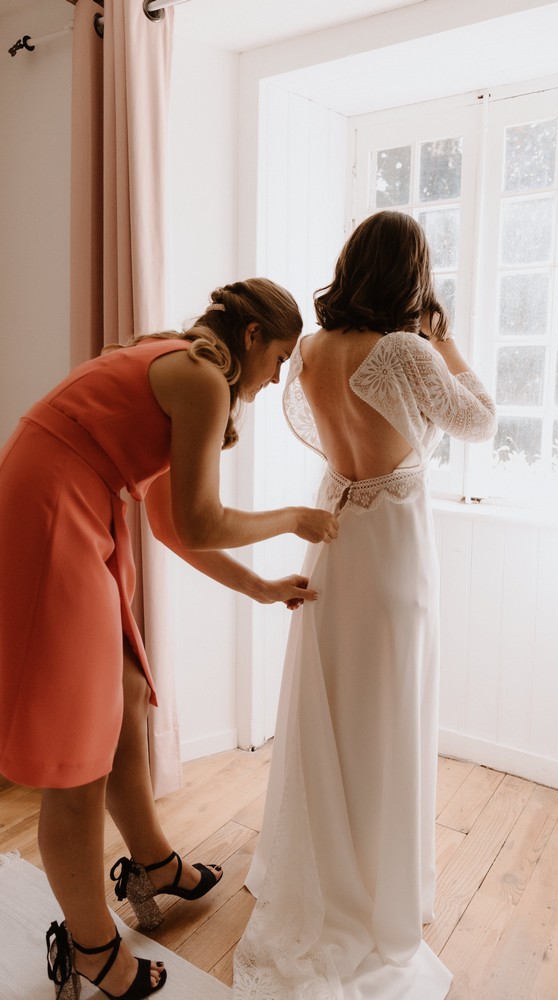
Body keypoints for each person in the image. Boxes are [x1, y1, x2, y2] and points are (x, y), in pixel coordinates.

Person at [0, 278, 339, 1000]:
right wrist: (290, 518)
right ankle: (91, 946)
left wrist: (259, 587)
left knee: (123, 690)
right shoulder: (200, 377)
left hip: (67, 497)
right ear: (252, 338)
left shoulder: (178, 360)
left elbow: (169, 524)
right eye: (279, 358)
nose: (278, 377)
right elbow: (203, 521)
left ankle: (152, 864)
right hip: (54, 505)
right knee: (78, 748)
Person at [232, 213, 497, 999]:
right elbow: (478, 421)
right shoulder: (407, 351)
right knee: (389, 710)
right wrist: (443, 337)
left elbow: (320, 435)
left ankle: (324, 868)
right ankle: (376, 890)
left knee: (336, 709)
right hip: (392, 555)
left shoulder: (310, 350)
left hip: (335, 536)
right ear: (410, 278)